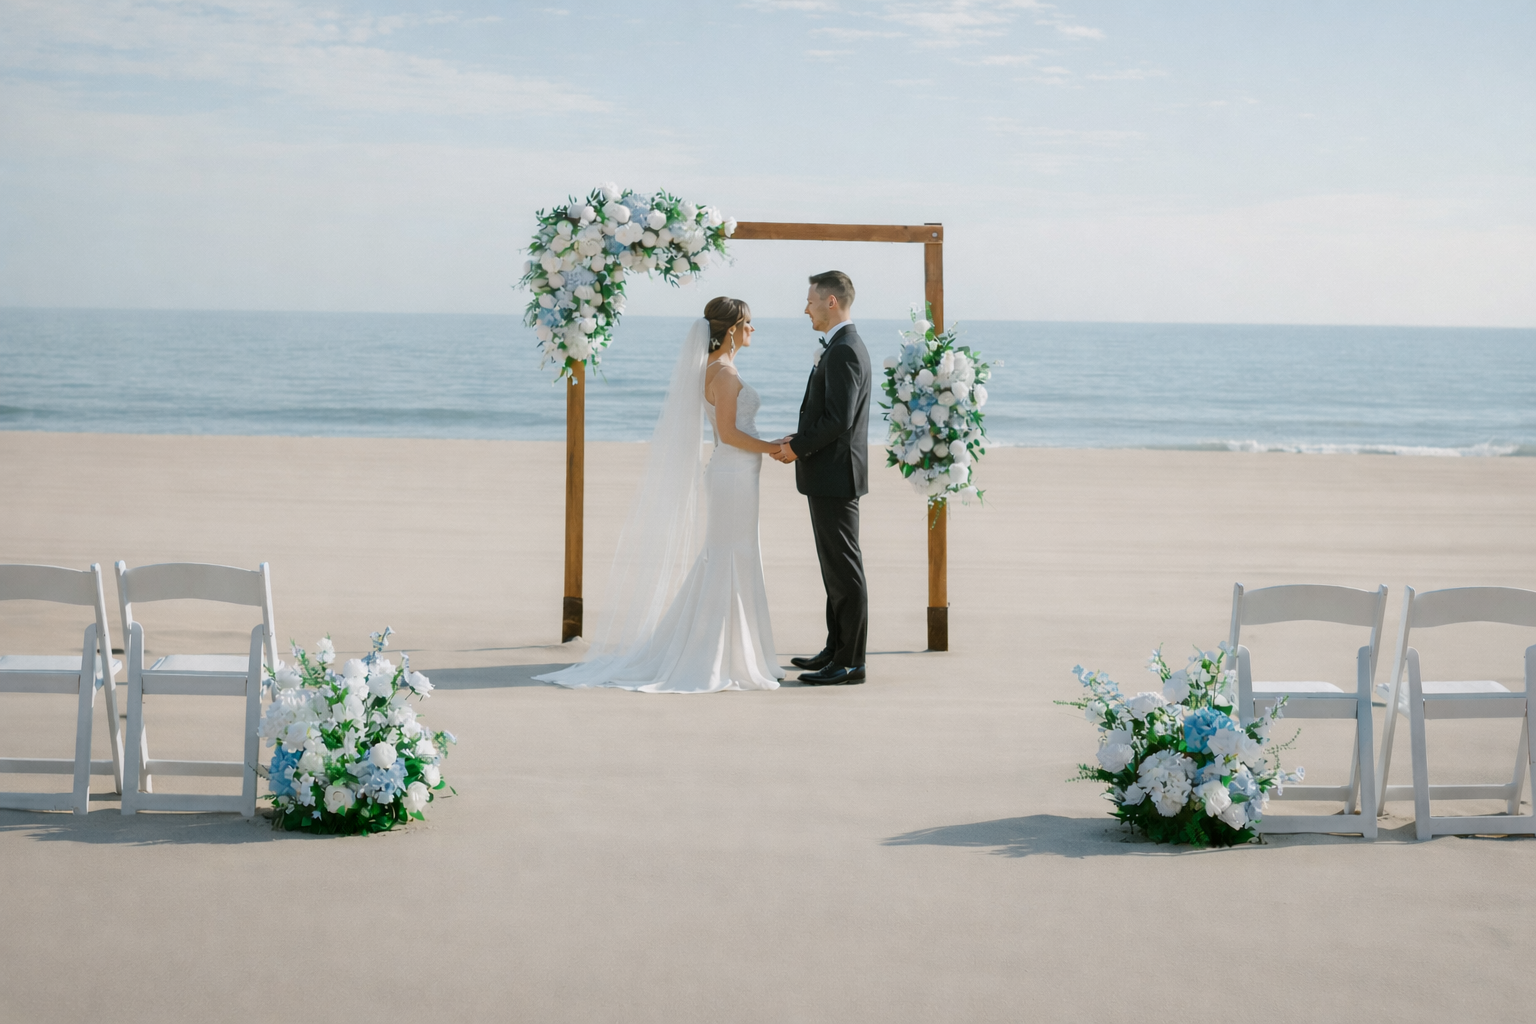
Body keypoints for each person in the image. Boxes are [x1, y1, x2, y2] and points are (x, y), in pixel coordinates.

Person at [536, 298, 785, 693]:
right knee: (728, 556)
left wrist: (769, 447)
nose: (753, 330)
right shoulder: (722, 373)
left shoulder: (718, 370)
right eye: (749, 323)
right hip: (733, 474)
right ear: (732, 329)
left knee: (734, 554)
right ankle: (720, 655)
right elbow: (730, 435)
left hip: (737, 474)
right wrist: (773, 446)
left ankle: (736, 650)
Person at [771, 271, 871, 686]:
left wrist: (797, 447)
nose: (805, 308)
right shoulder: (840, 347)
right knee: (834, 569)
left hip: (835, 475)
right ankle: (835, 649)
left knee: (845, 571)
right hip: (828, 474)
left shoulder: (845, 350)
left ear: (831, 302)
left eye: (810, 300)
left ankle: (850, 663)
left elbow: (838, 420)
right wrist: (799, 438)